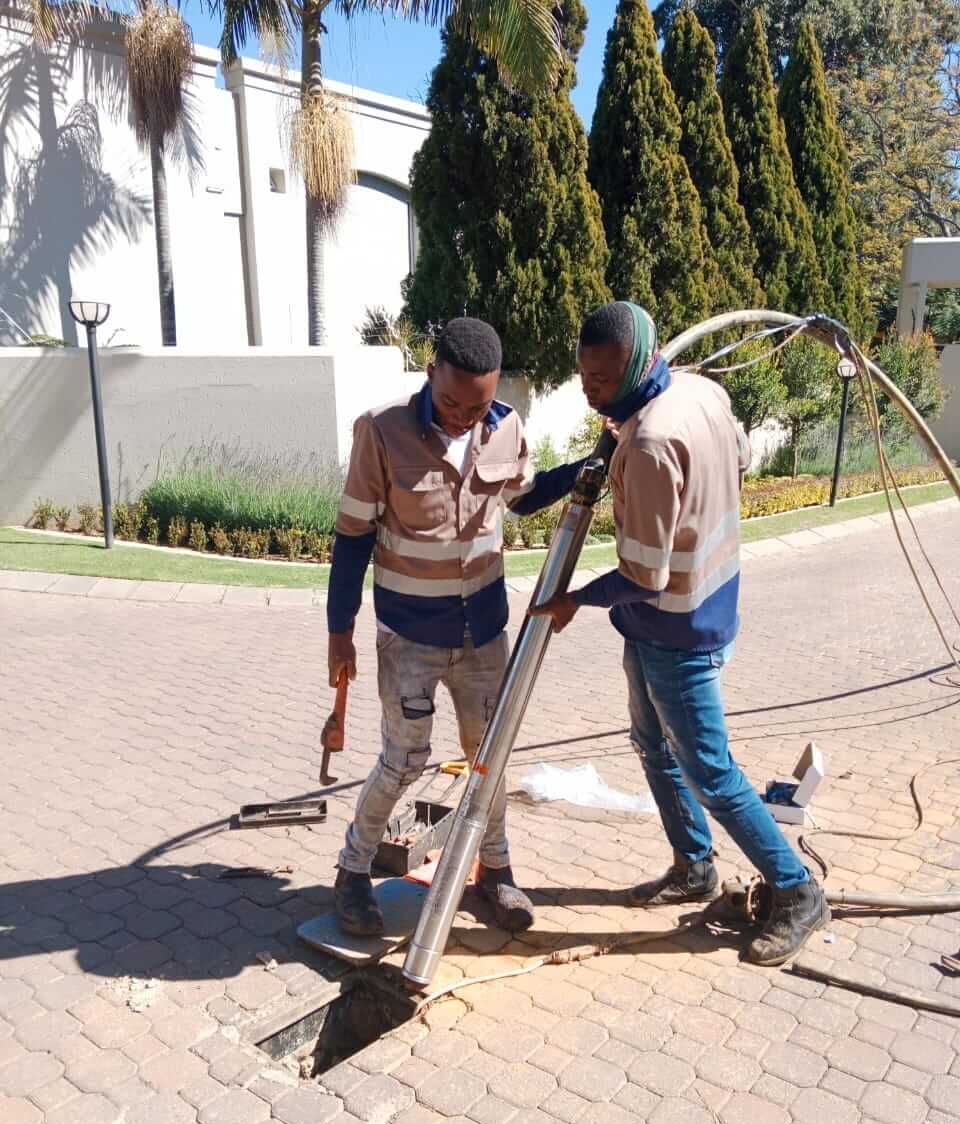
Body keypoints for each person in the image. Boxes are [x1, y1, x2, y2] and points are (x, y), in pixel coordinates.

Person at [531, 301, 829, 966]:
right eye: (583, 376)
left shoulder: (649, 444)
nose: (590, 389)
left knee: (711, 771)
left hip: (678, 626)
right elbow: (743, 455)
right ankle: (694, 866)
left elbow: (643, 574)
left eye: (602, 379)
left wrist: (573, 599)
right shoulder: (700, 390)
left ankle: (798, 890)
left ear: (636, 364)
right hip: (698, 606)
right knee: (651, 744)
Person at [328, 317, 588, 937]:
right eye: (451, 402)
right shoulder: (381, 432)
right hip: (409, 638)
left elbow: (522, 497)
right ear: (430, 373)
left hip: (484, 637)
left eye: (477, 405)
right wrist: (340, 630)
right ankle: (353, 871)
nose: (463, 417)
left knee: (486, 758)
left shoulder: (505, 426)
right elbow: (352, 537)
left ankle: (494, 875)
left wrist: (584, 468)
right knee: (403, 759)